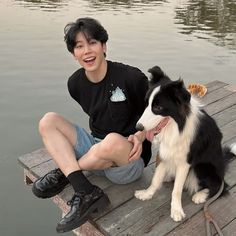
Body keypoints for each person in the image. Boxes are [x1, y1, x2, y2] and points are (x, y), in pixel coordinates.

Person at [32, 17, 151, 233]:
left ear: (104, 46)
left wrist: (141, 136)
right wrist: (96, 150)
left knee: (112, 140)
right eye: (79, 46)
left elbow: (160, 110)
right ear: (73, 53)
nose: (87, 51)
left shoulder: (131, 77)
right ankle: (85, 189)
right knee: (48, 120)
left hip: (127, 159)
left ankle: (67, 173)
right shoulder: (75, 83)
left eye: (93, 43)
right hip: (95, 150)